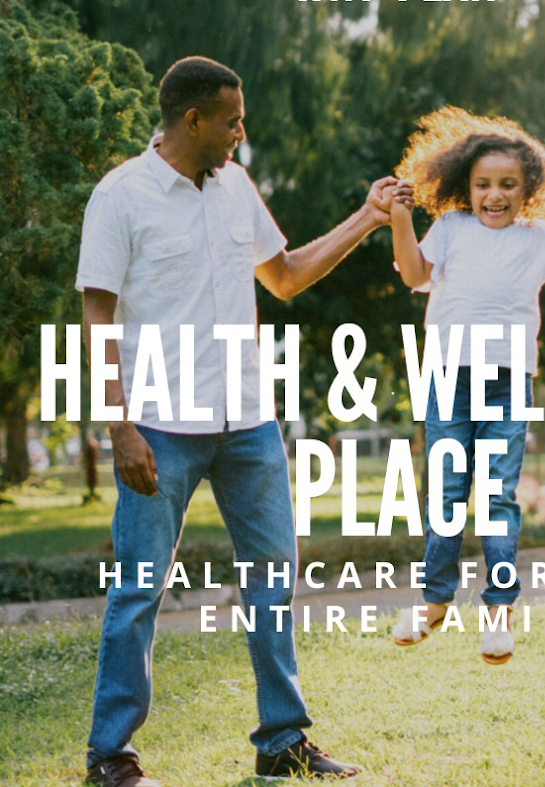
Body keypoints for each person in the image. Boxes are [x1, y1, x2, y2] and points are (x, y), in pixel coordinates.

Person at [77, 56, 411, 786]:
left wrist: (368, 215)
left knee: (273, 578)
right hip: (159, 422)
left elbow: (284, 274)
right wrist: (118, 424)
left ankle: (282, 741)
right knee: (139, 584)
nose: (241, 131)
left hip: (248, 421)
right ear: (192, 119)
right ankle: (112, 755)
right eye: (232, 119)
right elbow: (96, 312)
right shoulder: (122, 195)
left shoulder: (234, 188)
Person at [383, 106, 545, 664]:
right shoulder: (451, 228)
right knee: (447, 494)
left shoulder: (540, 238)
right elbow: (414, 274)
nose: (494, 196)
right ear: (465, 187)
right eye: (483, 185)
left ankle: (498, 611)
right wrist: (401, 218)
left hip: (507, 383)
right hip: (448, 379)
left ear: (529, 189)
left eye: (507, 185)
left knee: (497, 496)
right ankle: (434, 600)